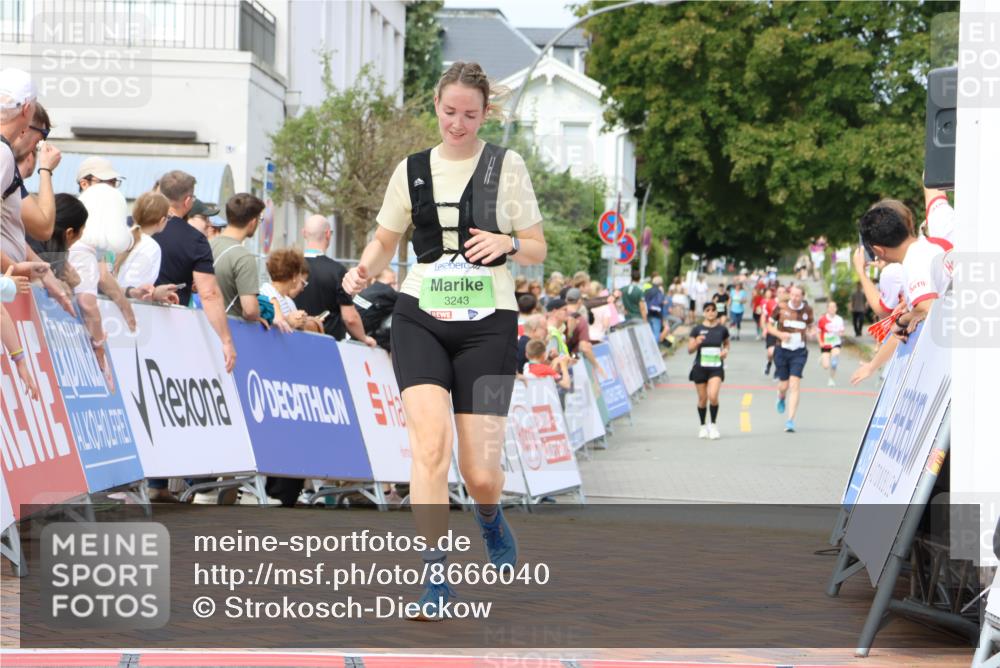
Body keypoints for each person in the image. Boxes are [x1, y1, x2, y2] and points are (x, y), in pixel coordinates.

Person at [341, 61, 545, 620]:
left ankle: (488, 514)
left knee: (481, 470)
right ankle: (435, 576)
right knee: (430, 448)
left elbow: (536, 247)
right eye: (450, 112)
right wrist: (362, 270)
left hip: (490, 322)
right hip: (420, 314)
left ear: (486, 114)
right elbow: (386, 240)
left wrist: (505, 242)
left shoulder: (506, 166)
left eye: (471, 115)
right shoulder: (411, 170)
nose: (459, 124)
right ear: (437, 106)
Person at [152, 170, 236, 371]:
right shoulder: (195, 240)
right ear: (188, 200)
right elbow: (209, 294)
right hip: (171, 327)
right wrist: (226, 340)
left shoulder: (137, 225)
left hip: (128, 318)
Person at [858, 202, 951, 342]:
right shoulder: (937, 243)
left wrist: (900, 322)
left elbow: (927, 307)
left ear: (878, 250)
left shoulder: (913, 261)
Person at [294, 214, 373, 343]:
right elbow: (350, 318)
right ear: (328, 234)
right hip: (327, 343)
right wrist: (364, 338)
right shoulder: (337, 271)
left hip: (293, 338)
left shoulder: (291, 268)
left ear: (304, 233)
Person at [209, 193, 267, 325]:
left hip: (203, 326)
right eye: (259, 219)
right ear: (252, 222)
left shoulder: (207, 246)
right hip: (230, 330)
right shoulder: (243, 257)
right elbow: (250, 310)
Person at [114, 191, 178, 304]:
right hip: (132, 309)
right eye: (168, 217)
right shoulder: (152, 247)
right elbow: (139, 289)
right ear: (162, 220)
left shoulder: (120, 237)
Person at [768, 285, 814, 433]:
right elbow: (768, 326)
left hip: (799, 352)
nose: (795, 298)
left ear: (802, 297)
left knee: (795, 384)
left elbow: (812, 326)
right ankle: (781, 397)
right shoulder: (780, 308)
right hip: (782, 350)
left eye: (798, 296)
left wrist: (813, 332)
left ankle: (790, 420)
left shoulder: (807, 311)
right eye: (793, 295)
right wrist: (780, 334)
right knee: (784, 385)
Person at [688, 301, 729, 440]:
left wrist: (725, 351)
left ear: (717, 312)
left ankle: (714, 425)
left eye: (713, 310)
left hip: (716, 367)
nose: (711, 312)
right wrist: (696, 342)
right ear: (704, 312)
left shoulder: (722, 329)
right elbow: (690, 350)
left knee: (713, 396)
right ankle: (702, 426)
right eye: (708, 310)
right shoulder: (697, 329)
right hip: (700, 367)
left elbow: (727, 343)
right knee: (702, 399)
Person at [261, 248, 313, 332]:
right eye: (299, 273)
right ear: (294, 276)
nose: (300, 278)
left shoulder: (289, 301)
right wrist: (289, 320)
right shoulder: (266, 292)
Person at [357, 268, 398, 351]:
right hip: (362, 339)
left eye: (394, 284)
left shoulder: (366, 292)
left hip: (350, 334)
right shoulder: (386, 292)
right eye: (391, 284)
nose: (393, 287)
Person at [817, 301, 845, 386]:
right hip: (826, 344)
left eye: (834, 307)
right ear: (827, 309)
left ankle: (831, 379)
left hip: (836, 343)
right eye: (830, 307)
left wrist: (841, 333)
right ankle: (822, 358)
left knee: (834, 363)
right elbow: (818, 332)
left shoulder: (839, 319)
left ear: (836, 309)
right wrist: (820, 342)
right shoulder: (822, 319)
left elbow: (842, 331)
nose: (832, 309)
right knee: (826, 366)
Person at [643, 276, 665, 342]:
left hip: (648, 314)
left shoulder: (647, 291)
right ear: (660, 283)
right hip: (656, 315)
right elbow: (660, 303)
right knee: (656, 334)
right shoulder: (659, 292)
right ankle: (655, 350)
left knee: (649, 334)